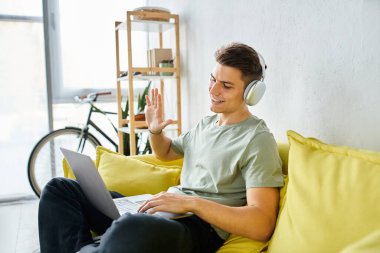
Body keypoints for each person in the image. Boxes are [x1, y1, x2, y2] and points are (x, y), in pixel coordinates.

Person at [38, 42, 283, 253]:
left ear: (251, 93)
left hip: (197, 227)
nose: (213, 90)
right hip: (165, 211)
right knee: (58, 189)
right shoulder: (206, 125)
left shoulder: (257, 139)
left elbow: (261, 224)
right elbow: (165, 153)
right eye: (212, 79)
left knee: (130, 227)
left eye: (226, 86)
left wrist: (190, 203)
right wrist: (155, 130)